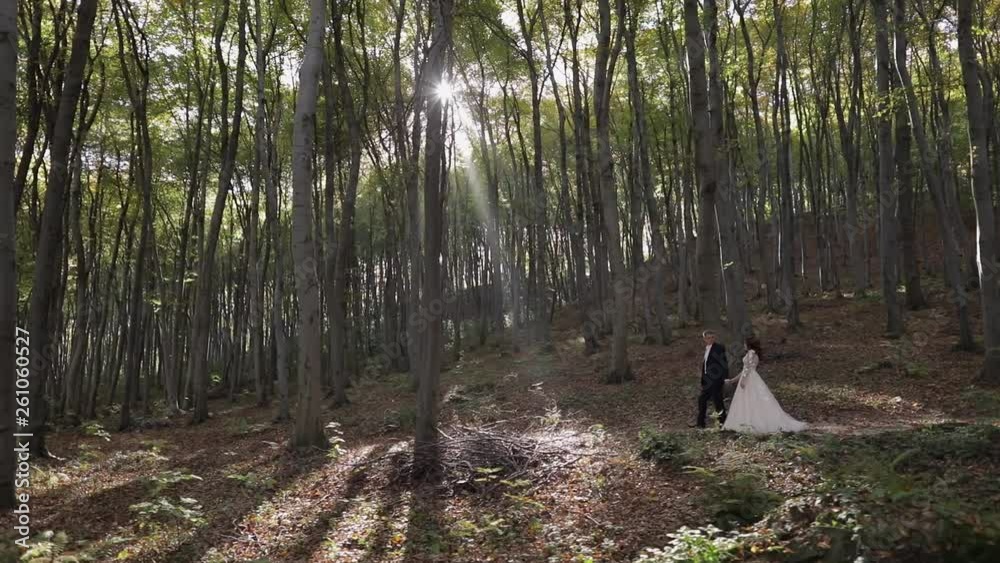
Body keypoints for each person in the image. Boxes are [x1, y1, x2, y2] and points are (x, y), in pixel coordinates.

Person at [722, 337, 807, 434]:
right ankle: (748, 421)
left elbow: (747, 369)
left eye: (745, 343)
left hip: (749, 379)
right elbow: (744, 369)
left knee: (751, 400)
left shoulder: (751, 353)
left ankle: (751, 422)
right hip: (751, 377)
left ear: (749, 344)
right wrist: (733, 380)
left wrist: (743, 381)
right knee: (751, 400)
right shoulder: (753, 354)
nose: (744, 345)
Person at [691, 330, 728, 428]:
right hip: (707, 380)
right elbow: (706, 365)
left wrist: (722, 379)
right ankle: (700, 423)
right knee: (702, 400)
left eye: (712, 337)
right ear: (704, 339)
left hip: (716, 380)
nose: (710, 339)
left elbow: (724, 364)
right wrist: (703, 379)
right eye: (708, 338)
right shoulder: (707, 348)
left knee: (718, 401)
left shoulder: (719, 348)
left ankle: (723, 423)